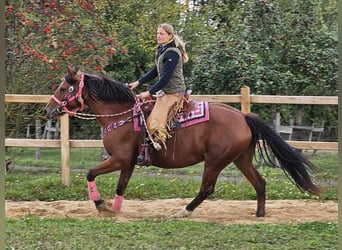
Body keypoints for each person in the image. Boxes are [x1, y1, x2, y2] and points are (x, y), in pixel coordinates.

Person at [129, 23, 189, 150]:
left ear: (170, 36)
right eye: (157, 33)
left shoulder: (172, 52)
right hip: (166, 91)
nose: (158, 36)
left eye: (161, 33)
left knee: (153, 123)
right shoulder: (162, 49)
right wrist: (138, 82)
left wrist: (149, 91)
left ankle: (158, 149)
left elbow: (165, 79)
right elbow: (155, 70)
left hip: (174, 92)